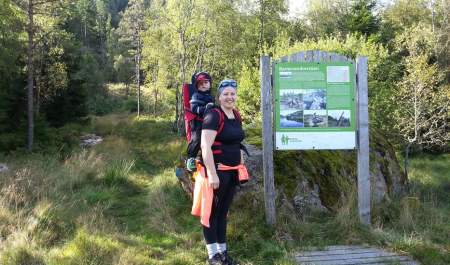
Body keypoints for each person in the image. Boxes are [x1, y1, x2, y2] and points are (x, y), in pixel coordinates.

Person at [200, 79, 245, 265]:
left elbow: (237, 143)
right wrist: (211, 174)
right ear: (219, 97)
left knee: (223, 212)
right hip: (218, 172)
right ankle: (212, 255)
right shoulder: (213, 115)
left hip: (233, 172)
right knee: (211, 212)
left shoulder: (236, 114)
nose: (229, 97)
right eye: (225, 94)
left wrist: (241, 165)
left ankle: (223, 252)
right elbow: (205, 146)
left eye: (232, 93)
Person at [186, 72, 215, 171]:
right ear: (196, 85)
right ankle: (190, 158)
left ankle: (206, 158)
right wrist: (205, 109)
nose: (203, 84)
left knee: (211, 140)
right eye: (200, 83)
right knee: (197, 139)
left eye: (206, 82)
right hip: (198, 122)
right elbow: (194, 108)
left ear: (210, 84)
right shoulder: (196, 95)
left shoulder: (211, 96)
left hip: (209, 122)